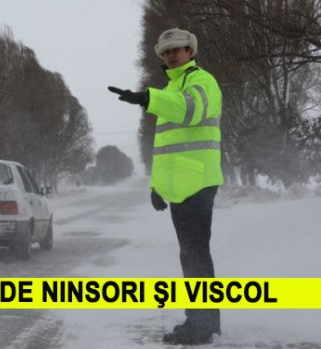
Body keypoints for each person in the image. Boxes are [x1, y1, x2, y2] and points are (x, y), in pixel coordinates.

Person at [108, 28, 223, 345]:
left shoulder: (202, 81)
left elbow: (190, 110)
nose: (172, 55)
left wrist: (148, 98)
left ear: (191, 52)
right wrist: (158, 186)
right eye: (166, 51)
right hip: (183, 186)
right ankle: (202, 321)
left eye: (178, 50)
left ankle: (201, 324)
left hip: (198, 184)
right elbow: (169, 151)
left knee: (195, 254)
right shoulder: (173, 87)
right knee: (192, 255)